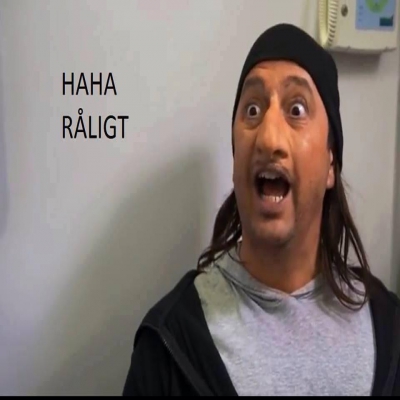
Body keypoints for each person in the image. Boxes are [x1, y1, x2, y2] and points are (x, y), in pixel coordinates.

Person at [122, 23, 400, 396]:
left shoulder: (389, 328)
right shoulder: (168, 344)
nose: (268, 138)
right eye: (252, 110)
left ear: (331, 163)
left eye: (296, 109)